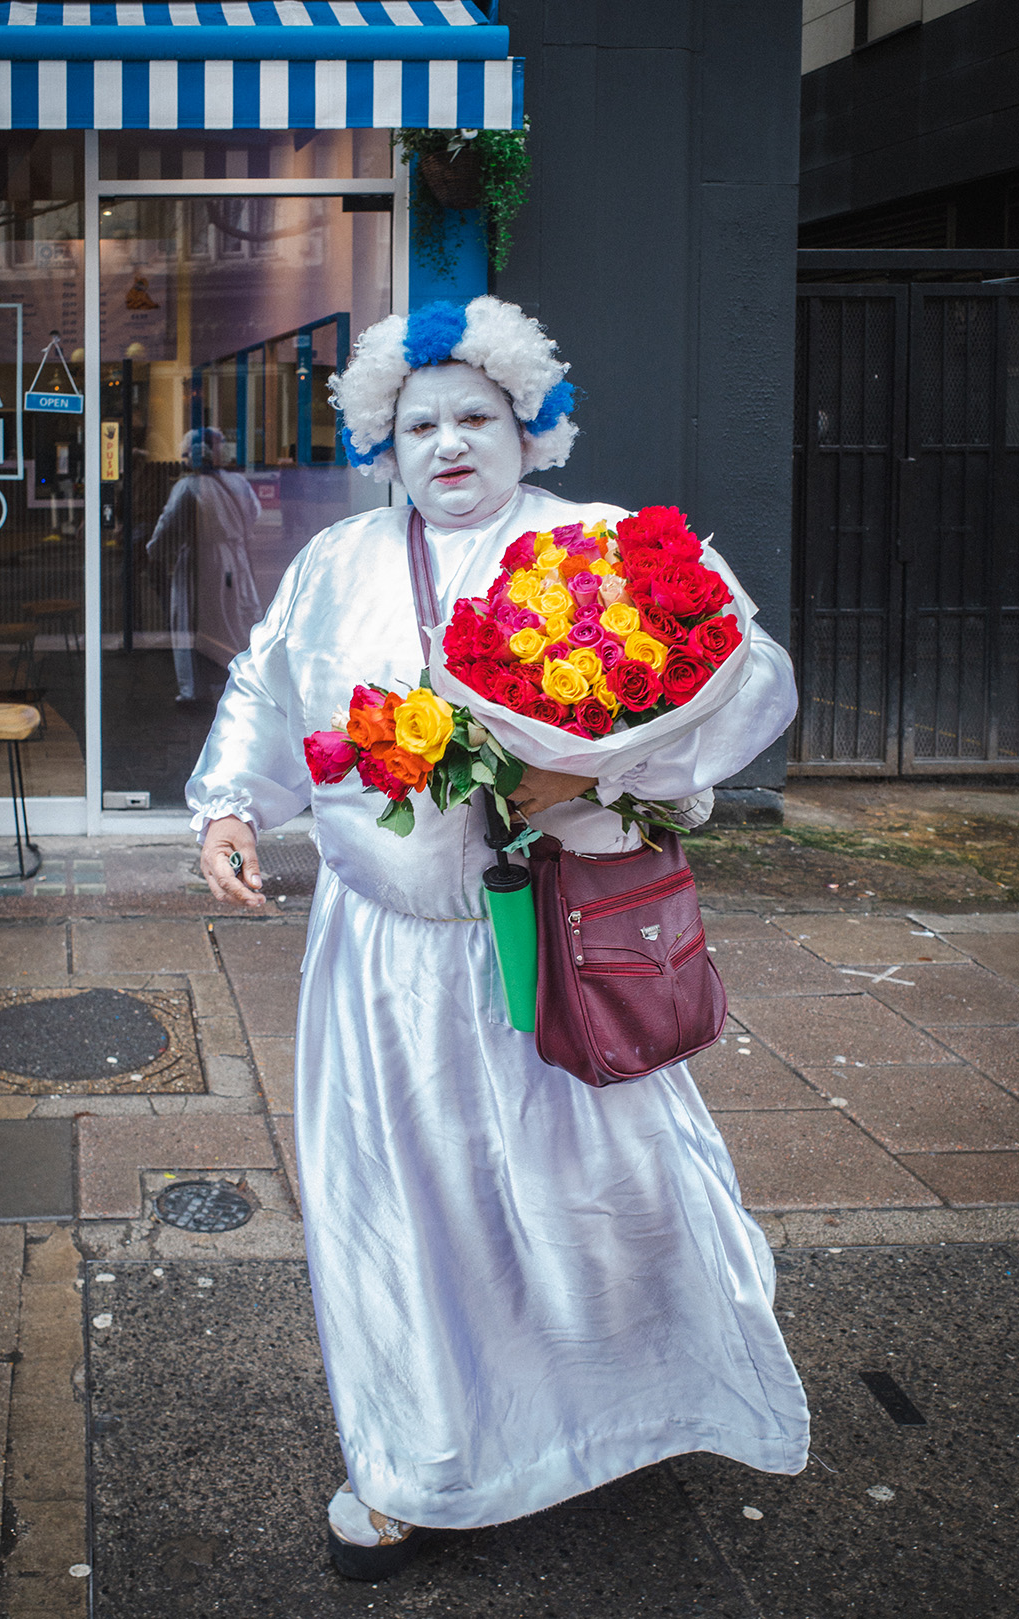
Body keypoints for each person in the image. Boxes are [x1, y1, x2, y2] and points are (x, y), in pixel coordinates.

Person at [188, 297, 810, 1581]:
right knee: (401, 1207)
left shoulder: (603, 547)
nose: (448, 443)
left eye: (476, 416)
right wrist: (230, 808)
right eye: (419, 423)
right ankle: (421, 1457)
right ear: (385, 442)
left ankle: (641, 1398)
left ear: (531, 428)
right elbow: (266, 680)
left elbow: (741, 674)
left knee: (602, 1189)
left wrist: (585, 777)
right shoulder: (338, 561)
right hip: (380, 962)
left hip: (549, 948)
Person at [146, 426, 263, 702]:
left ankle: (192, 690)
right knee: (235, 622)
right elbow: (254, 513)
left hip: (200, 560)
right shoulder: (238, 482)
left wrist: (153, 551)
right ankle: (239, 685)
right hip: (236, 559)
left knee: (189, 622)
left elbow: (167, 524)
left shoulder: (187, 487)